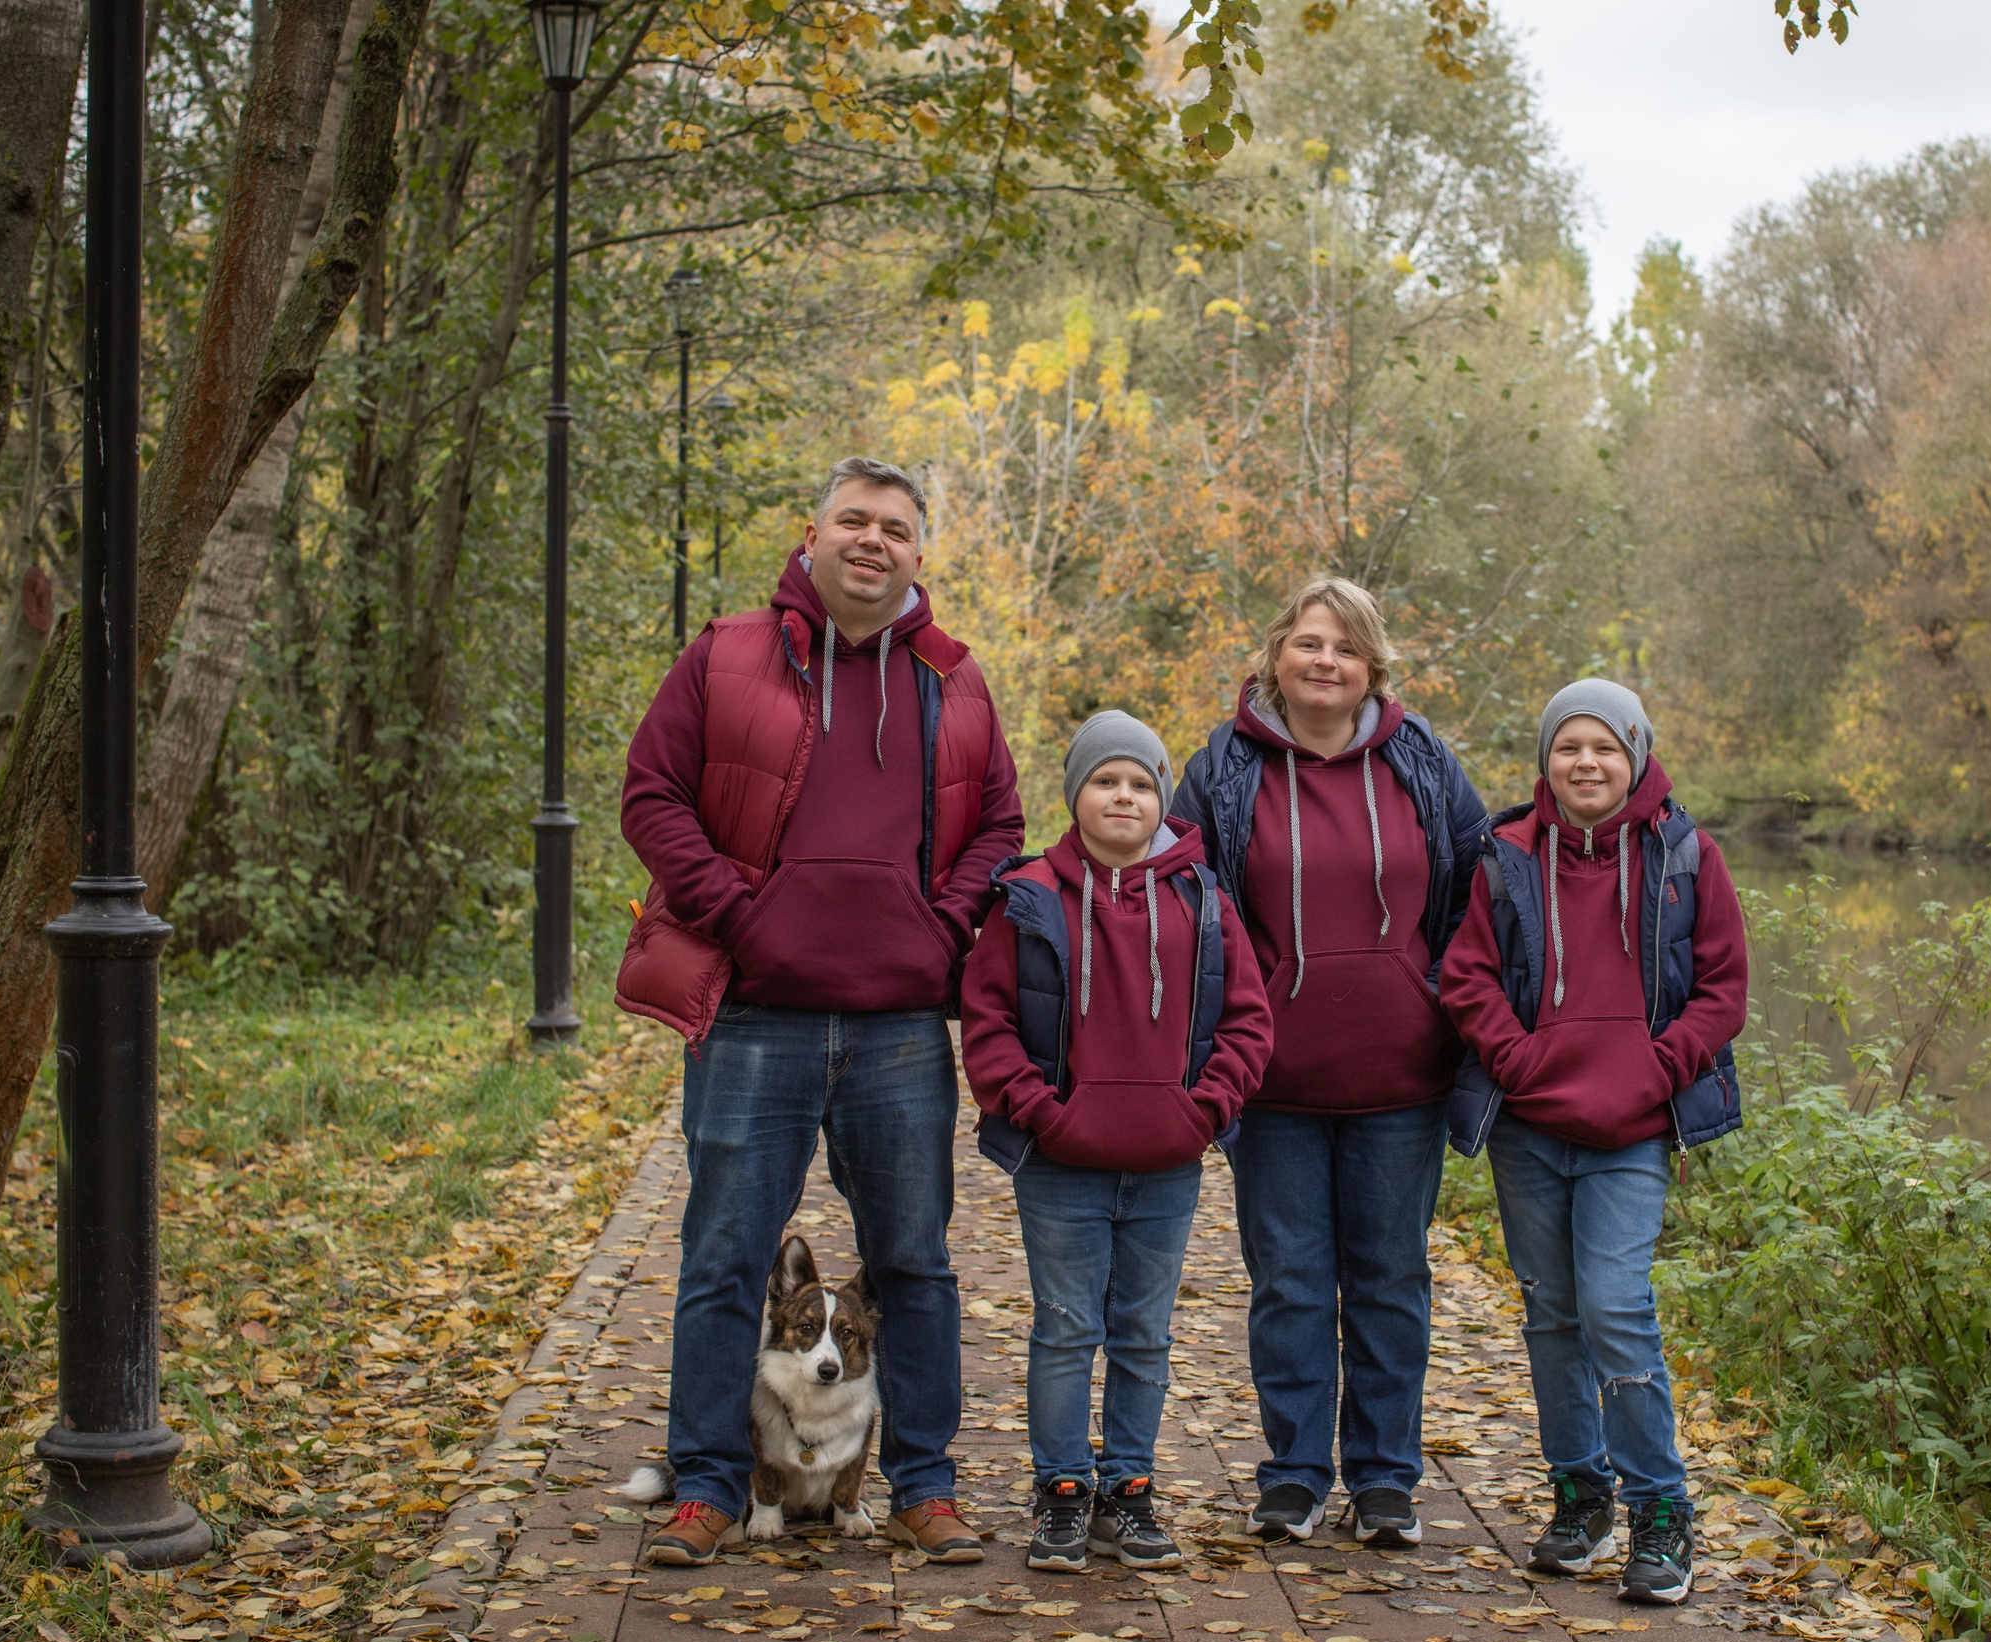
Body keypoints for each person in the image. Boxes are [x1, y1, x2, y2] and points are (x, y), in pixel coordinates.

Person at [616, 456, 1024, 1567]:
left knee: (916, 1263)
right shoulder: (726, 656)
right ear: (813, 534)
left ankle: (921, 1485)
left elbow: (999, 826)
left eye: (895, 526)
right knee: (721, 1255)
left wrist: (939, 931)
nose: (872, 540)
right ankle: (705, 1481)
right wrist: (739, 915)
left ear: (918, 551)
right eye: (854, 519)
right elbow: (650, 794)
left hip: (898, 1025)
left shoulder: (956, 679)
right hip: (754, 1016)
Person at [1169, 577, 1491, 1548]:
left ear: (1371, 666)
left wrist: (1434, 992)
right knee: (1291, 1281)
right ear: (1276, 654)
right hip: (1271, 1083)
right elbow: (1183, 901)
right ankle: (1295, 1473)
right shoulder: (1222, 767)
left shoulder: (1421, 760)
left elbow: (1483, 887)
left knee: (1390, 1278)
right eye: (1307, 642)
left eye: (1343, 648)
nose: (1323, 661)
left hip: (1400, 1078)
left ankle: (1386, 1477)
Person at [1438, 679, 1746, 1603]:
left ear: (1636, 755)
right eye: (1568, 747)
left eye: (1604, 748)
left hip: (1632, 1132)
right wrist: (1521, 1062)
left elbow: (1723, 990)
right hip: (1530, 1129)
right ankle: (1579, 1495)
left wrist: (1658, 1071)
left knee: (1614, 1306)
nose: (1586, 763)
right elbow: (1466, 980)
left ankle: (1662, 1510)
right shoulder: (1505, 857)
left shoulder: (1686, 856)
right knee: (1551, 1313)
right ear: (1547, 761)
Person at [960, 712, 1273, 1572]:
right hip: (1060, 1163)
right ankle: (1062, 1491)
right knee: (1065, 1328)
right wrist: (1041, 1111)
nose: (1124, 796)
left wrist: (1205, 1110)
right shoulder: (1028, 898)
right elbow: (987, 1025)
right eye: (1106, 781)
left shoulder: (1202, 897)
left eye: (1140, 783)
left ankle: (1128, 1491)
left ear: (1161, 797)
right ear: (1076, 796)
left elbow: (1248, 1019)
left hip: (1167, 1161)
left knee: (1142, 1332)